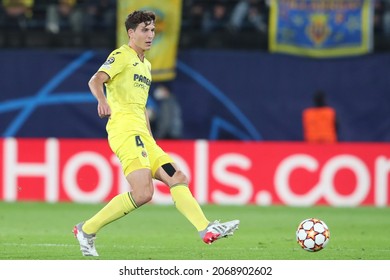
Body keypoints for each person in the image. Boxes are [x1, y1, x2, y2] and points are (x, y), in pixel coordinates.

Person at [73, 10, 239, 257]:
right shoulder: (121, 55)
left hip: (143, 135)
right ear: (131, 33)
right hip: (125, 131)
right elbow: (95, 80)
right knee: (143, 193)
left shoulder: (147, 65)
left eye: (152, 30)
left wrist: (151, 139)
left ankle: (205, 229)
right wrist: (101, 101)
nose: (150, 35)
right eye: (144, 30)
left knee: (178, 177)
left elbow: (141, 107)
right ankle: (86, 229)